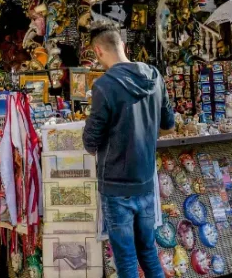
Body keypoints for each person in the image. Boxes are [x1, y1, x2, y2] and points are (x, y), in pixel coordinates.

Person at [83, 21, 174, 278]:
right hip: (146, 181)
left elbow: (90, 142)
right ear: (123, 44)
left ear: (98, 51)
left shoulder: (104, 86)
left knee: (126, 261)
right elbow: (169, 124)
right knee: (148, 252)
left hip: (116, 186)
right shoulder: (155, 76)